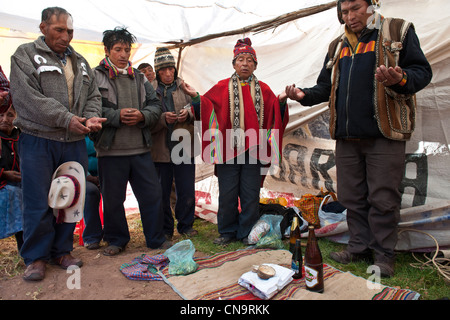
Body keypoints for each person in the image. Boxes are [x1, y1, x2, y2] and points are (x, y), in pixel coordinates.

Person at [285, 0, 432, 277]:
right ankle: (358, 246)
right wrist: (304, 95)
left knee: (383, 198)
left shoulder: (397, 31)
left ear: (372, 6)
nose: (350, 16)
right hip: (347, 137)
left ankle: (384, 254)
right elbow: (325, 87)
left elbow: (422, 72)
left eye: (356, 8)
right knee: (353, 197)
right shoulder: (338, 45)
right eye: (344, 11)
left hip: (384, 134)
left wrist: (400, 78)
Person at [9, 7, 105, 281]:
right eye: (59, 30)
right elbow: (27, 98)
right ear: (43, 28)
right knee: (38, 200)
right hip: (39, 139)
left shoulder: (81, 61)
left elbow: (93, 95)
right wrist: (66, 118)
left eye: (70, 31)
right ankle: (36, 257)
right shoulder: (25, 56)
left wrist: (89, 117)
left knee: (69, 198)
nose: (66, 36)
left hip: (73, 140)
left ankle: (62, 250)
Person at [183, 38, 289, 245]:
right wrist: (196, 97)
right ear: (233, 64)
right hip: (227, 151)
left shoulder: (265, 91)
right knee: (228, 194)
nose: (245, 63)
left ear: (255, 65)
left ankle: (247, 232)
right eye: (240, 59)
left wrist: (282, 100)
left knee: (250, 194)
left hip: (254, 152)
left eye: (250, 60)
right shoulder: (221, 88)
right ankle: (227, 231)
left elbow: (275, 113)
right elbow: (206, 106)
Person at [92, 27, 170, 256]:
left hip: (140, 149)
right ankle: (116, 241)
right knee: (113, 200)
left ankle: (156, 239)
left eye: (127, 49)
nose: (124, 54)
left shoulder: (140, 77)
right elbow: (90, 108)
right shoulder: (96, 76)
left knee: (152, 195)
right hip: (110, 151)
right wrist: (116, 116)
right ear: (107, 50)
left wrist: (143, 115)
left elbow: (156, 105)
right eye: (118, 49)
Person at [151, 47, 198, 240]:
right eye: (163, 70)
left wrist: (190, 112)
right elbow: (144, 120)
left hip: (183, 144)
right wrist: (162, 119)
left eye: (171, 69)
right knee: (161, 191)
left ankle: (186, 225)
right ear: (157, 71)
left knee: (186, 187)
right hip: (160, 147)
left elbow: (201, 109)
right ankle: (165, 228)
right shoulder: (149, 89)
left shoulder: (184, 86)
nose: (168, 73)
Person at [0, 105, 23, 252]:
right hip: (3, 186)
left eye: (9, 115)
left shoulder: (21, 137)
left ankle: (28, 252)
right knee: (16, 194)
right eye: (0, 115)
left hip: (21, 185)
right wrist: (3, 173)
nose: (5, 120)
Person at [82, 135, 103, 249]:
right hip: (83, 175)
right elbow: (74, 158)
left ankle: (112, 233)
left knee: (113, 191)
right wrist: (88, 176)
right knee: (91, 192)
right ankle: (92, 237)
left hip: (105, 171)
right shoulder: (76, 133)